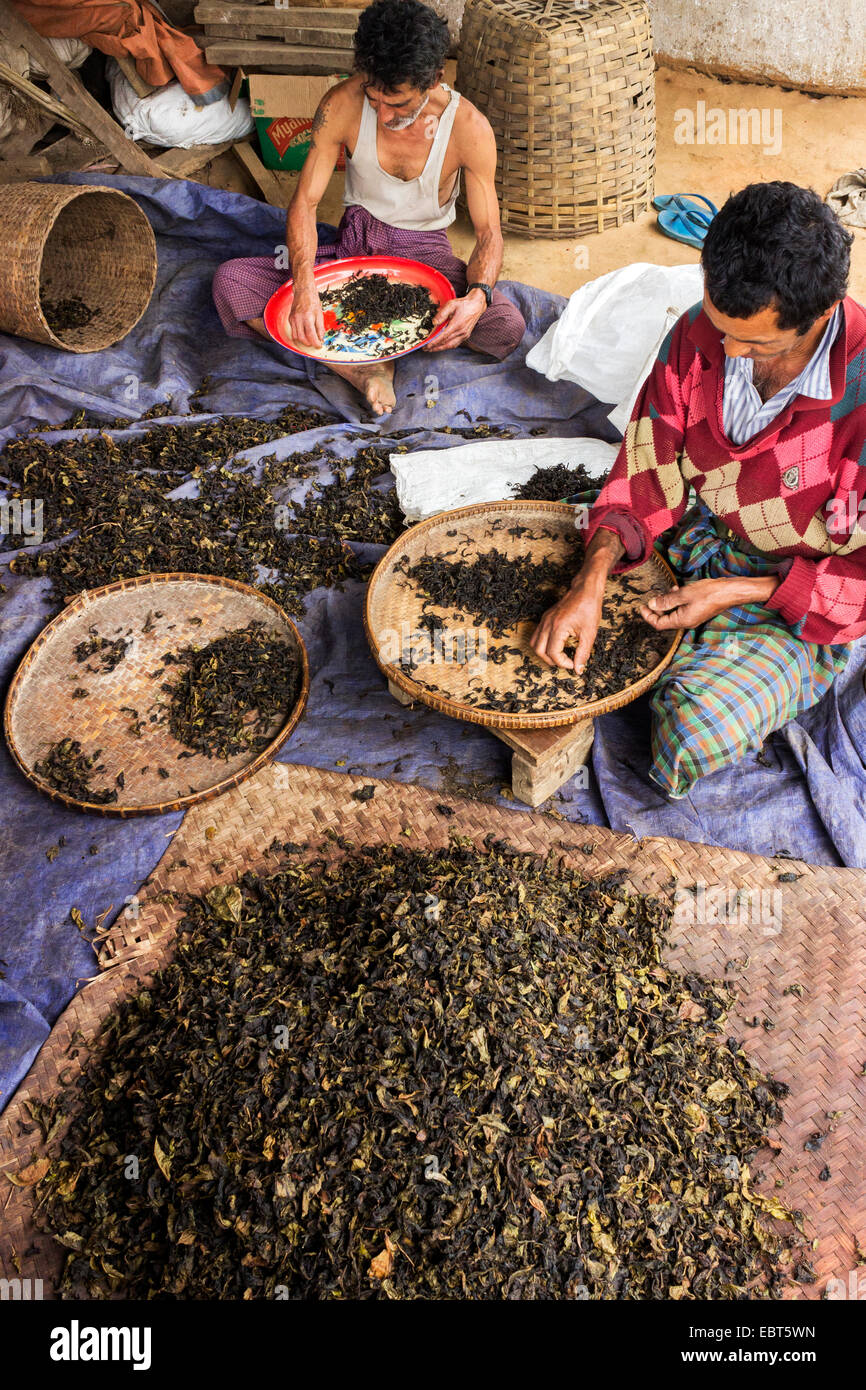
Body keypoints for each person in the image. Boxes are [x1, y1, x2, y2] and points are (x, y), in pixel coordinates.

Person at [532, 182, 866, 799]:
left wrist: (742, 591)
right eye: (720, 327)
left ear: (819, 316)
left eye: (757, 343)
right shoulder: (697, 332)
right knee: (542, 601)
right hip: (694, 536)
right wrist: (593, 577)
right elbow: (644, 469)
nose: (730, 352)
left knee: (693, 730)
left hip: (794, 591)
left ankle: (736, 663)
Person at [212, 0, 525, 416]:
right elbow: (304, 203)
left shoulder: (469, 129)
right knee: (231, 283)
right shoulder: (340, 104)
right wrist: (305, 288)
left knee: (506, 325)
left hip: (426, 257)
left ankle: (373, 345)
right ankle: (363, 371)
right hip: (353, 250)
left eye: (396, 102)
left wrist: (478, 298)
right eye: (374, 97)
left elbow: (488, 234)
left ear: (433, 78)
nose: (382, 112)